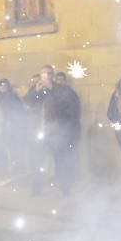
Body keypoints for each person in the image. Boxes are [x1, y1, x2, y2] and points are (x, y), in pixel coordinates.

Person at [38, 65, 81, 195]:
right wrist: (35, 91)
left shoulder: (63, 90)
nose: (47, 77)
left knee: (63, 159)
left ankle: (65, 185)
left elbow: (66, 109)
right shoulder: (40, 90)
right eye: (44, 75)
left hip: (62, 131)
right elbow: (28, 104)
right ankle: (59, 182)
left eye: (49, 74)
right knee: (55, 159)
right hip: (47, 131)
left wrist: (68, 130)